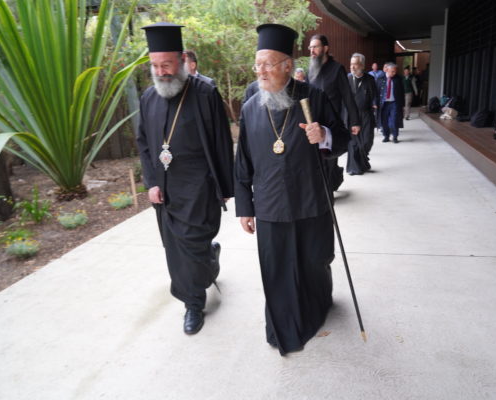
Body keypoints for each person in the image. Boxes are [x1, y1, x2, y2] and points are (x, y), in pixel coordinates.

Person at [235, 24, 350, 355]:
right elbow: (242, 162)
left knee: (314, 262)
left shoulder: (314, 98)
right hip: (270, 205)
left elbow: (342, 138)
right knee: (277, 270)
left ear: (287, 65)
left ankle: (317, 306)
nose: (261, 71)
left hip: (310, 199)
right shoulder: (250, 108)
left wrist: (324, 135)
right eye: (257, 64)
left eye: (268, 64)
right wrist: (245, 207)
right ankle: (283, 328)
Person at [136, 23, 234, 335]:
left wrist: (225, 186)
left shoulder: (205, 93)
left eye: (166, 65)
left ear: (181, 61)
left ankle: (195, 299)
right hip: (165, 189)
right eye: (155, 66)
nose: (160, 72)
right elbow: (143, 143)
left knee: (192, 245)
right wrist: (151, 182)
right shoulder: (148, 97)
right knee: (175, 250)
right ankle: (199, 285)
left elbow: (221, 141)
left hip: (199, 186)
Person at [307, 34, 360, 191]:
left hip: (332, 123)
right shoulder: (311, 70)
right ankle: (332, 180)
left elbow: (347, 96)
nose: (312, 51)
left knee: (329, 158)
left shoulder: (337, 69)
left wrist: (355, 121)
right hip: (315, 122)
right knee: (318, 160)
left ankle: (328, 190)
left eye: (315, 47)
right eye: (310, 47)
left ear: (325, 48)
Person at [346, 52, 377, 175]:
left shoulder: (370, 79)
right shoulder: (347, 79)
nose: (352, 67)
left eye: (355, 64)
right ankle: (354, 168)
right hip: (351, 115)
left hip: (366, 114)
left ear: (362, 66)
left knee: (367, 141)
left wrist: (375, 104)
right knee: (353, 143)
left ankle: (363, 162)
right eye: (351, 64)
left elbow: (374, 96)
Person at [377, 62, 405, 143]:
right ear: (387, 70)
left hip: (394, 103)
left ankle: (395, 137)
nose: (394, 73)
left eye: (395, 71)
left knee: (394, 120)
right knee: (384, 121)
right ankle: (386, 136)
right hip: (384, 103)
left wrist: (402, 104)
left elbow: (401, 92)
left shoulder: (398, 79)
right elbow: (376, 91)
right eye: (392, 71)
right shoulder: (380, 79)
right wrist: (374, 103)